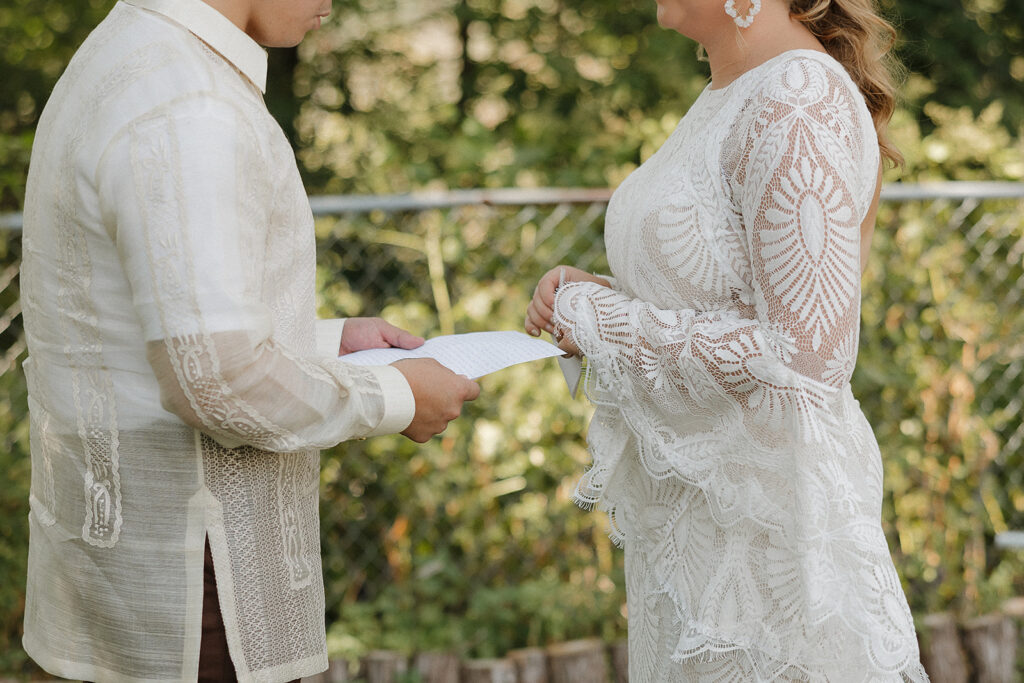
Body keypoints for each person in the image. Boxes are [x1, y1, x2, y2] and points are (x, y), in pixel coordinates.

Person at [19, 0, 480, 680]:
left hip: (133, 571)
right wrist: (394, 395)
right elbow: (217, 376)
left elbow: (153, 336)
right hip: (199, 591)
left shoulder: (127, 52)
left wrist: (324, 342)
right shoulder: (191, 104)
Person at [526, 0, 928, 679]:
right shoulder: (733, 89)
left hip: (770, 559)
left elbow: (802, 358)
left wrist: (604, 320)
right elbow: (721, 296)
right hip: (696, 545)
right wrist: (595, 297)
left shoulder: (797, 97)